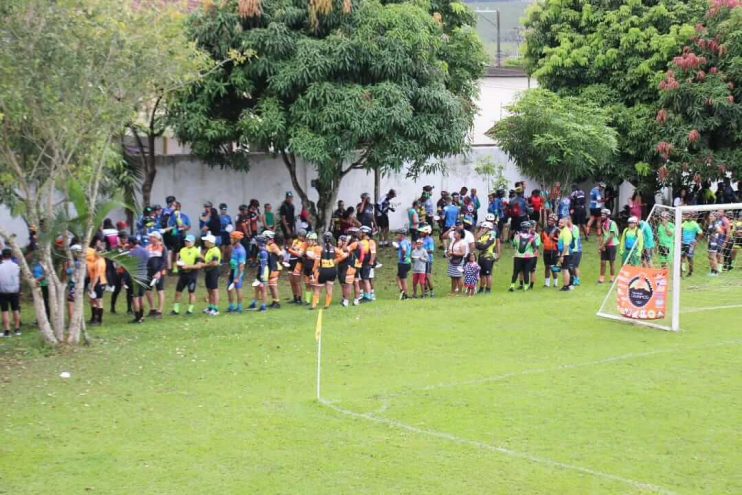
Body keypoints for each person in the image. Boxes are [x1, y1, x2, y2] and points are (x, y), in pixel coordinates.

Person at [171, 234, 202, 315]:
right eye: (186, 241)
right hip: (183, 274)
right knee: (178, 292)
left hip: (192, 275)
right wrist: (178, 265)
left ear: (193, 242)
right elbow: (179, 260)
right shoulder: (182, 250)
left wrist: (188, 266)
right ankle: (175, 310)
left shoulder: (196, 251)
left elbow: (199, 265)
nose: (187, 243)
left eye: (188, 241)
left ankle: (190, 310)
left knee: (191, 292)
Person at [309, 232, 340, 310]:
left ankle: (314, 305)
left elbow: (317, 261)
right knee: (329, 288)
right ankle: (327, 304)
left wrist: (312, 271)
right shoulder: (335, 248)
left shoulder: (319, 248)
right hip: (332, 270)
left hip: (323, 271)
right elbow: (343, 255)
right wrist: (334, 261)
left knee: (317, 289)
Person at [509, 221, 540, 292]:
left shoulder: (517, 236)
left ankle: (512, 285)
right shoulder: (532, 237)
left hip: (518, 256)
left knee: (516, 271)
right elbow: (535, 248)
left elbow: (514, 245)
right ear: (528, 228)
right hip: (529, 257)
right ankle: (526, 287)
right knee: (526, 271)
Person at [144, 231, 167, 319]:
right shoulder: (148, 247)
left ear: (157, 238)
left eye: (152, 237)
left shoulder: (162, 247)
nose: (150, 238)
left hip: (159, 272)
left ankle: (159, 311)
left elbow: (164, 261)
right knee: (148, 290)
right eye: (150, 237)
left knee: (160, 290)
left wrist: (159, 272)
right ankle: (152, 308)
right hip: (149, 271)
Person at [126, 238, 150, 324]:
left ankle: (137, 317)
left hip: (135, 277)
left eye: (129, 243)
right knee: (142, 297)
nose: (128, 245)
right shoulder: (146, 251)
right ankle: (142, 316)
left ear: (132, 243)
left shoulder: (132, 253)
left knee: (135, 298)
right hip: (144, 276)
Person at [86, 238, 108, 326]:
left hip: (99, 282)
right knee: (93, 300)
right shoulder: (96, 260)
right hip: (96, 281)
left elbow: (96, 276)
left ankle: (99, 320)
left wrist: (92, 286)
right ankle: (94, 318)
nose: (94, 252)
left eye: (96, 251)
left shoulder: (99, 262)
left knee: (99, 301)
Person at [0, 248, 21, 337]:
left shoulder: (0, 266)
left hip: (3, 291)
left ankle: (7, 331)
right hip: (15, 290)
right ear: (11, 255)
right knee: (15, 309)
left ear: (2, 256)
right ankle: (17, 329)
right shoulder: (16, 266)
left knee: (5, 311)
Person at [165, 201, 190, 273]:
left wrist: (183, 227)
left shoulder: (184, 216)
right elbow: (169, 226)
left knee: (180, 252)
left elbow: (188, 226)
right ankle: (171, 267)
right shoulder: (171, 216)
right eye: (175, 207)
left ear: (180, 208)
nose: (177, 209)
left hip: (182, 236)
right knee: (172, 251)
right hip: (173, 236)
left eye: (178, 207)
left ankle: (178, 266)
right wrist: (174, 228)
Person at [475, 221, 499, 293]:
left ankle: (488, 289)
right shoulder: (482, 236)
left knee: (488, 274)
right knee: (481, 274)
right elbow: (476, 244)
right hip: (481, 256)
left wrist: (479, 245)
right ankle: (481, 288)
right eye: (482, 227)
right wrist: (479, 238)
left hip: (488, 257)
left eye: (484, 228)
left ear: (488, 228)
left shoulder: (491, 236)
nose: (482, 229)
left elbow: (484, 246)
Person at [247, 235, 269, 312]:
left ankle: (264, 306)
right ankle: (254, 303)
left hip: (264, 270)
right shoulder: (260, 250)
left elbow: (263, 264)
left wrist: (262, 274)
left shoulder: (263, 252)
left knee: (263, 289)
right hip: (260, 269)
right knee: (257, 287)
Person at [202, 233, 222, 315]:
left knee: (214, 290)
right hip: (208, 271)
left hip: (214, 271)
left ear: (210, 242)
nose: (204, 242)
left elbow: (215, 263)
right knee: (209, 290)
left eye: (206, 241)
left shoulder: (215, 251)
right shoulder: (209, 250)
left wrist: (204, 265)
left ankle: (216, 309)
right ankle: (210, 307)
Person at [226, 231, 246, 313]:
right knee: (229, 289)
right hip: (232, 271)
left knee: (238, 289)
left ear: (236, 239)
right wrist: (229, 271)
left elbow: (241, 265)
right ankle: (231, 306)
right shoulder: (234, 248)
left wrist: (238, 277)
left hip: (237, 272)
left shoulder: (241, 251)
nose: (230, 240)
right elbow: (232, 261)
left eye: (231, 238)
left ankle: (240, 307)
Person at [264, 230, 285, 308]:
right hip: (271, 267)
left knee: (273, 285)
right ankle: (274, 300)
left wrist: (279, 262)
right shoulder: (268, 245)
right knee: (271, 285)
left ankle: (277, 302)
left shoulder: (273, 245)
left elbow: (281, 255)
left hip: (274, 267)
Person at [598, 209, 619, 283]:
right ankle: (601, 278)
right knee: (602, 262)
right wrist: (600, 246)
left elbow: (611, 236)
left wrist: (603, 245)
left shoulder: (612, 223)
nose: (602, 216)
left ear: (608, 216)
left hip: (611, 245)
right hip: (604, 245)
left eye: (604, 215)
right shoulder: (602, 223)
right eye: (601, 214)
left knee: (611, 262)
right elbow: (601, 235)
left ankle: (612, 278)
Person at [680, 212, 703, 277]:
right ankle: (680, 272)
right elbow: (680, 230)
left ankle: (690, 272)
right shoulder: (684, 223)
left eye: (686, 215)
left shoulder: (695, 224)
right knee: (681, 257)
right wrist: (681, 239)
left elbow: (701, 233)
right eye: (684, 215)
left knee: (689, 257)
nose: (685, 216)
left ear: (690, 216)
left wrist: (696, 241)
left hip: (691, 243)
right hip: (684, 243)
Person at [287, 229, 307, 304]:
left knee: (297, 281)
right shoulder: (295, 241)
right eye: (299, 236)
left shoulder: (304, 243)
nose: (300, 237)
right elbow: (293, 249)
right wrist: (293, 250)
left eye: (301, 236)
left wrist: (291, 250)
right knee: (291, 280)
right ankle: (295, 297)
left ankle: (299, 298)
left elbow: (299, 254)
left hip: (298, 261)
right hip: (291, 260)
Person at [541, 214, 560, 288]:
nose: (549, 221)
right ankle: (547, 283)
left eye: (551, 220)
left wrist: (553, 239)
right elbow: (542, 239)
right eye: (549, 219)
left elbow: (560, 240)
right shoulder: (544, 229)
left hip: (554, 250)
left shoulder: (557, 229)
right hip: (546, 250)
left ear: (555, 221)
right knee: (547, 266)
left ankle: (555, 283)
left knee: (554, 267)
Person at [447, 228, 466, 294]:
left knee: (459, 276)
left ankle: (460, 291)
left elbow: (463, 253)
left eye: (455, 233)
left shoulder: (462, 242)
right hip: (452, 260)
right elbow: (450, 249)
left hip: (459, 261)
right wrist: (449, 252)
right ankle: (453, 291)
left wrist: (453, 253)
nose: (454, 234)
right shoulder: (453, 241)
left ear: (460, 234)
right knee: (453, 276)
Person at [557, 218, 574, 291]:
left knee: (565, 269)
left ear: (565, 223)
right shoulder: (562, 231)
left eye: (561, 223)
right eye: (559, 222)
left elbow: (566, 245)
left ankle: (566, 286)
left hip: (566, 253)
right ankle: (568, 284)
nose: (559, 224)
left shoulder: (566, 231)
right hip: (563, 252)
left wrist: (562, 255)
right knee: (565, 269)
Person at [395, 230, 412, 300]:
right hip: (408, 263)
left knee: (403, 280)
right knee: (398, 278)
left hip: (403, 263)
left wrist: (403, 256)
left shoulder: (403, 242)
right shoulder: (407, 241)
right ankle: (403, 292)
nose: (396, 236)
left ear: (401, 235)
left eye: (398, 235)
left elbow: (404, 250)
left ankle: (405, 295)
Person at [419, 225, 435, 297]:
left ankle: (432, 292)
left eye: (422, 231)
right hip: (422, 260)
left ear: (426, 232)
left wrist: (423, 252)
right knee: (423, 276)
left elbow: (431, 250)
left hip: (428, 260)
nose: (420, 233)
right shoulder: (421, 239)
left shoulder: (429, 240)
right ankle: (425, 291)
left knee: (427, 276)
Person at [32, 256, 50, 320]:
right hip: (43, 286)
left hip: (44, 286)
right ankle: (45, 317)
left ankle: (46, 317)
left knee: (44, 303)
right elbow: (38, 278)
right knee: (44, 302)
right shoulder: (39, 267)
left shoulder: (42, 266)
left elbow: (38, 278)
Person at [567, 216, 583, 286]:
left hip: (577, 250)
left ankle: (577, 279)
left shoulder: (575, 228)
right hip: (570, 250)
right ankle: (572, 278)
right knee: (570, 266)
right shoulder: (566, 229)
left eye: (566, 220)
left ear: (570, 220)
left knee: (575, 266)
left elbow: (575, 237)